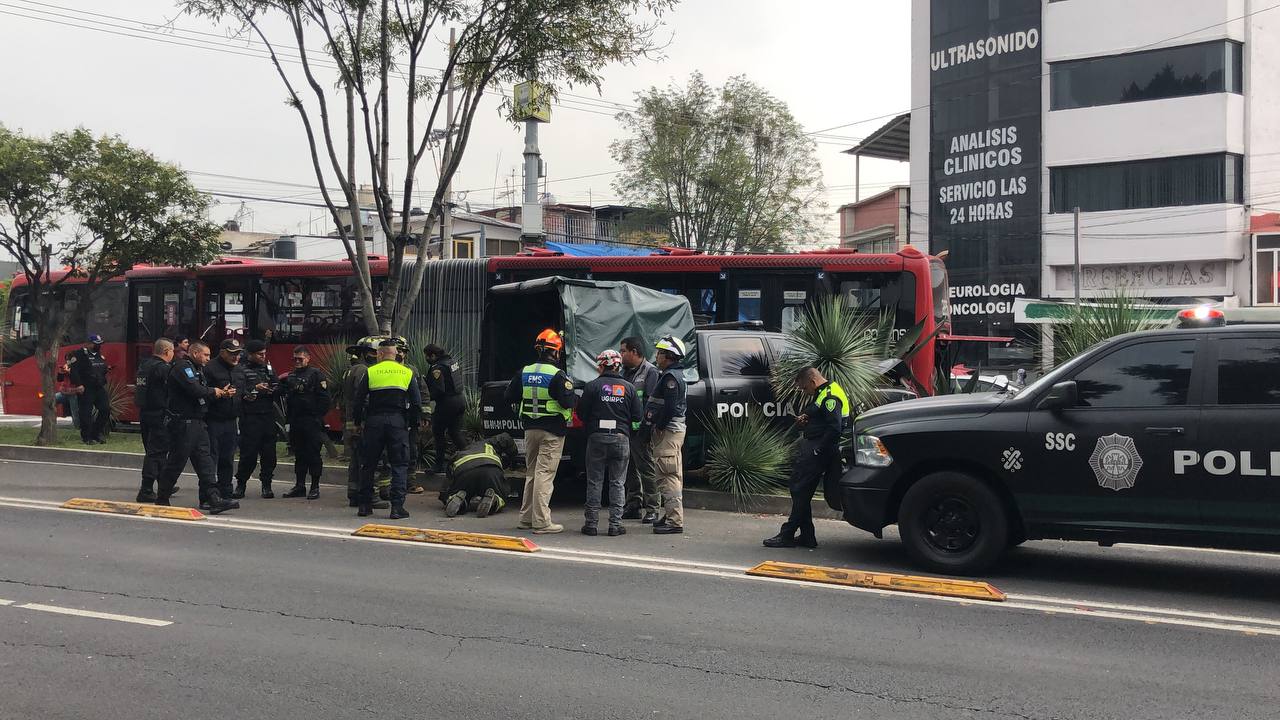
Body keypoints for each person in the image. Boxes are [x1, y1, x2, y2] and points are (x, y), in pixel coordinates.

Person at [764, 367, 849, 549]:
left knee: (799, 488)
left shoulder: (830, 396)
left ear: (812, 381)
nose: (804, 391)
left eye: (804, 388)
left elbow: (835, 428)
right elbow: (820, 415)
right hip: (817, 446)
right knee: (801, 490)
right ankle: (807, 536)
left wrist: (818, 449)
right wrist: (807, 418)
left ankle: (788, 534)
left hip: (819, 449)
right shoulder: (825, 391)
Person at [504, 329, 577, 535]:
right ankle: (542, 521)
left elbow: (508, 396)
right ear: (556, 352)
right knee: (545, 474)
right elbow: (568, 401)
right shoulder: (557, 375)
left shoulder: (524, 372)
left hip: (530, 429)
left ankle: (526, 518)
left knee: (531, 473)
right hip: (552, 432)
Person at [155, 341, 237, 514]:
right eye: (205, 355)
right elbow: (195, 390)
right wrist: (215, 391)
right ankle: (162, 498)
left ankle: (214, 498)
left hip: (198, 422)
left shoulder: (197, 369)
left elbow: (202, 391)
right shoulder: (182, 368)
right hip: (184, 423)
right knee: (177, 462)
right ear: (194, 353)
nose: (208, 358)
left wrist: (220, 393)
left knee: (205, 462)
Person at [352, 339, 422, 519]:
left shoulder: (371, 371)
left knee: (369, 464)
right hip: (397, 423)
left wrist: (357, 422)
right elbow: (416, 403)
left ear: (380, 354)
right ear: (396, 354)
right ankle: (397, 508)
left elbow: (359, 400)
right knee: (399, 465)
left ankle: (365, 506)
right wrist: (413, 425)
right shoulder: (406, 372)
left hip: (374, 422)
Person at [577, 349, 642, 537]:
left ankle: (591, 524)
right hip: (621, 438)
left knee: (594, 482)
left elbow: (581, 413)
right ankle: (615, 525)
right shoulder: (628, 388)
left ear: (602, 365)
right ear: (618, 365)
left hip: (596, 438)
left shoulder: (592, 386)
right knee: (618, 483)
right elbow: (637, 415)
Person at [645, 335, 688, 535]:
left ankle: (674, 520)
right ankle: (671, 514)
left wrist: (660, 425)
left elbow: (670, 407)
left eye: (660, 352)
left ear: (668, 356)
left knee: (667, 475)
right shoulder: (672, 374)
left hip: (668, 431)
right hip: (672, 431)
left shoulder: (670, 377)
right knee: (671, 473)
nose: (657, 356)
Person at [278, 346, 331, 500]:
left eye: (300, 359)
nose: (297, 362)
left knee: (313, 454)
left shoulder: (316, 374)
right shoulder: (291, 376)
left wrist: (317, 417)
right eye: (294, 359)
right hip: (296, 421)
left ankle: (315, 487)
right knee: (299, 455)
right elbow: (287, 398)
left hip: (311, 421)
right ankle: (299, 486)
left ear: (308, 358)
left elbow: (325, 399)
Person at [343, 337, 389, 509]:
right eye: (373, 353)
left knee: (355, 461)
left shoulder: (352, 369)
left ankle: (354, 494)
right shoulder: (363, 371)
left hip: (351, 423)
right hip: (361, 423)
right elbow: (363, 399)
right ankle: (371, 496)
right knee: (370, 460)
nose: (376, 356)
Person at [620, 336, 661, 523]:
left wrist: (647, 429)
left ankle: (652, 508)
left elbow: (651, 403)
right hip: (626, 429)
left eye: (623, 351)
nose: (620, 355)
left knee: (646, 468)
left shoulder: (650, 372)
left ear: (634, 352)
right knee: (629, 468)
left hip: (641, 431)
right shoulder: (625, 372)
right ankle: (633, 504)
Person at [202, 339, 246, 501]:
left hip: (231, 421)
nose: (236, 357)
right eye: (232, 353)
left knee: (227, 458)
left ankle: (226, 493)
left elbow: (242, 392)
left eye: (238, 353)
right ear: (222, 352)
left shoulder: (239, 370)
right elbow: (202, 393)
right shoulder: (209, 369)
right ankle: (208, 496)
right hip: (213, 420)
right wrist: (220, 394)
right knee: (211, 459)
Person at [236, 339, 279, 499]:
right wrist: (254, 389)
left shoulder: (268, 368)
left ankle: (266, 486)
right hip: (250, 417)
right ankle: (241, 484)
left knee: (269, 454)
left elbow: (277, 386)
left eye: (264, 353)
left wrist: (272, 389)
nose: (263, 356)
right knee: (248, 454)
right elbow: (238, 391)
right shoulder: (241, 370)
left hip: (267, 416)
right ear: (250, 354)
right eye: (260, 354)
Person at [439, 433, 519, 518]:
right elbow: (506, 437)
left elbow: (447, 480)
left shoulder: (460, 453)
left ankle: (458, 499)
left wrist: (446, 496)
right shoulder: (489, 442)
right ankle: (494, 500)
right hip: (490, 468)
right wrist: (512, 457)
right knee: (500, 493)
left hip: (465, 469)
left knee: (459, 491)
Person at [134, 338, 174, 503]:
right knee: (156, 452)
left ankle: (164, 484)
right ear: (166, 352)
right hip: (159, 414)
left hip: (145, 413)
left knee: (154, 451)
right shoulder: (162, 368)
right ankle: (146, 489)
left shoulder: (144, 365)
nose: (173, 354)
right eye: (172, 351)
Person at [424, 343, 467, 475]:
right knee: (455, 433)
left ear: (433, 355)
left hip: (447, 403)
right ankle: (469, 458)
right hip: (460, 400)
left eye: (427, 356)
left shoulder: (437, 368)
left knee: (438, 433)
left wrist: (426, 397)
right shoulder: (452, 362)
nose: (426, 359)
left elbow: (439, 390)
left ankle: (438, 465)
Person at [67, 334, 111, 444]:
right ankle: (87, 437)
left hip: (99, 387)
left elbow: (102, 368)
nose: (99, 346)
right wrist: (78, 384)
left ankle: (96, 433)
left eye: (100, 344)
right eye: (96, 344)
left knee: (105, 409)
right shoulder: (80, 354)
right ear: (89, 344)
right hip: (86, 388)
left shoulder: (99, 355)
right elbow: (74, 371)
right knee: (85, 413)